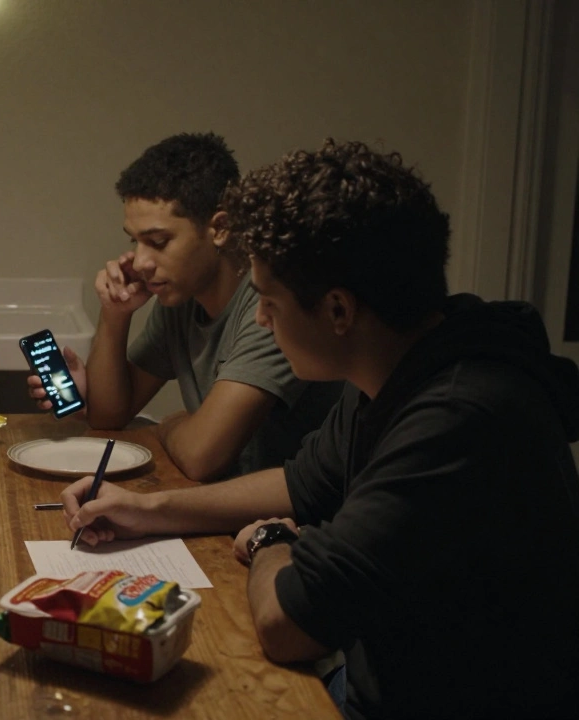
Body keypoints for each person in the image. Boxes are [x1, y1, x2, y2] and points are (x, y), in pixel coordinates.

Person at [59, 140, 579, 719]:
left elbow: (287, 624)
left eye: (271, 301)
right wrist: (145, 511)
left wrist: (269, 543)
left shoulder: (457, 418)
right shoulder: (396, 371)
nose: (259, 319)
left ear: (337, 311)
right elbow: (299, 484)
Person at [30, 133, 340, 481]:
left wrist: (170, 423)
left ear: (219, 229)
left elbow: (200, 456)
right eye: (135, 241)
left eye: (158, 242)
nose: (142, 261)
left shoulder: (269, 308)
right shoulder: (180, 296)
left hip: (291, 520)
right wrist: (115, 313)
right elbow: (109, 417)